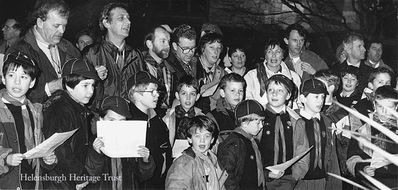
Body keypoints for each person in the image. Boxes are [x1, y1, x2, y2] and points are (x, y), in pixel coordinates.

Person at [41, 58, 101, 189]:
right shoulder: (59, 108)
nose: (91, 91)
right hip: (59, 181)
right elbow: (60, 148)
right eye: (85, 85)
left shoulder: (76, 107)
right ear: (68, 85)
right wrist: (79, 175)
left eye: (93, 85)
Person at [0, 52, 56, 189]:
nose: (17, 82)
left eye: (23, 77)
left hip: (31, 182)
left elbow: (38, 146)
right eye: (11, 75)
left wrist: (48, 159)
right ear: (3, 78)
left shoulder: (35, 111)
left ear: (32, 82)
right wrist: (5, 159)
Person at [7, 0, 81, 103]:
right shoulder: (19, 51)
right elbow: (16, 97)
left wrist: (90, 76)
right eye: (56, 26)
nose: (62, 31)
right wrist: (52, 87)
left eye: (64, 26)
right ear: (40, 23)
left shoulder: (68, 47)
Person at [83, 2, 143, 108]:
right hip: (100, 117)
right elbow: (79, 90)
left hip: (129, 118)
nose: (128, 22)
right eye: (121, 18)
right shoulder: (92, 53)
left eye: (128, 18)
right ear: (106, 23)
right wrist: (93, 78)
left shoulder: (136, 55)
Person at [91, 96, 155, 190]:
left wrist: (145, 160)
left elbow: (144, 177)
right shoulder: (93, 142)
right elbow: (91, 175)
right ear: (101, 119)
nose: (117, 125)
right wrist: (96, 153)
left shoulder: (134, 140)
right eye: (112, 120)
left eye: (121, 120)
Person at [126, 71, 172, 188]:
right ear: (136, 94)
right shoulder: (127, 122)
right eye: (152, 91)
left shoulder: (157, 120)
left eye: (157, 91)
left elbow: (166, 152)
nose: (157, 95)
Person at [346, 85, 398, 188]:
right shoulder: (363, 131)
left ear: (396, 107)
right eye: (380, 107)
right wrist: (363, 168)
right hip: (370, 183)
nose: (384, 112)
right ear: (374, 105)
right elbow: (352, 157)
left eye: (389, 108)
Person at [294, 78, 341, 190]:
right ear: (302, 98)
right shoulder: (294, 121)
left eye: (322, 97)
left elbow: (332, 156)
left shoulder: (327, 123)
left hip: (321, 179)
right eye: (316, 97)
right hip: (299, 180)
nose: (320, 101)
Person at [259, 74, 300, 190]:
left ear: (288, 95)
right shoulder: (258, 118)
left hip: (289, 178)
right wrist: (265, 173)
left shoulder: (295, 120)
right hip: (264, 179)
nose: (274, 94)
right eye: (270, 90)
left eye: (280, 91)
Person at [165, 115, 227, 190]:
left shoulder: (214, 160)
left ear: (212, 140)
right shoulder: (183, 163)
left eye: (207, 136)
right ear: (190, 139)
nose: (202, 140)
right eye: (197, 136)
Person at [217, 99, 267, 190]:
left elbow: (253, 171)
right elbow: (227, 176)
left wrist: (267, 174)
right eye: (258, 122)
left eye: (262, 121)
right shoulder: (234, 144)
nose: (261, 126)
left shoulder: (251, 141)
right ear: (244, 122)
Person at [245, 39, 301, 108]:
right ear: (265, 55)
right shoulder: (251, 76)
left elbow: (298, 103)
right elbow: (247, 103)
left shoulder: (294, 77)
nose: (273, 56)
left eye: (278, 52)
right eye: (269, 52)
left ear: (283, 55)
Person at [141, 25, 176, 116]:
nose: (168, 46)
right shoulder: (140, 67)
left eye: (168, 41)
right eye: (163, 41)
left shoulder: (169, 69)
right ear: (150, 44)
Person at [163, 75, 204, 146]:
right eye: (184, 93)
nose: (188, 98)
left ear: (197, 97)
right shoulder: (167, 118)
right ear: (177, 95)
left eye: (192, 94)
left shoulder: (202, 118)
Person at [195, 32, 226, 114]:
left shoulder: (222, 73)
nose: (216, 52)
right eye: (211, 47)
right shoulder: (192, 67)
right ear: (203, 49)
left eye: (218, 48)